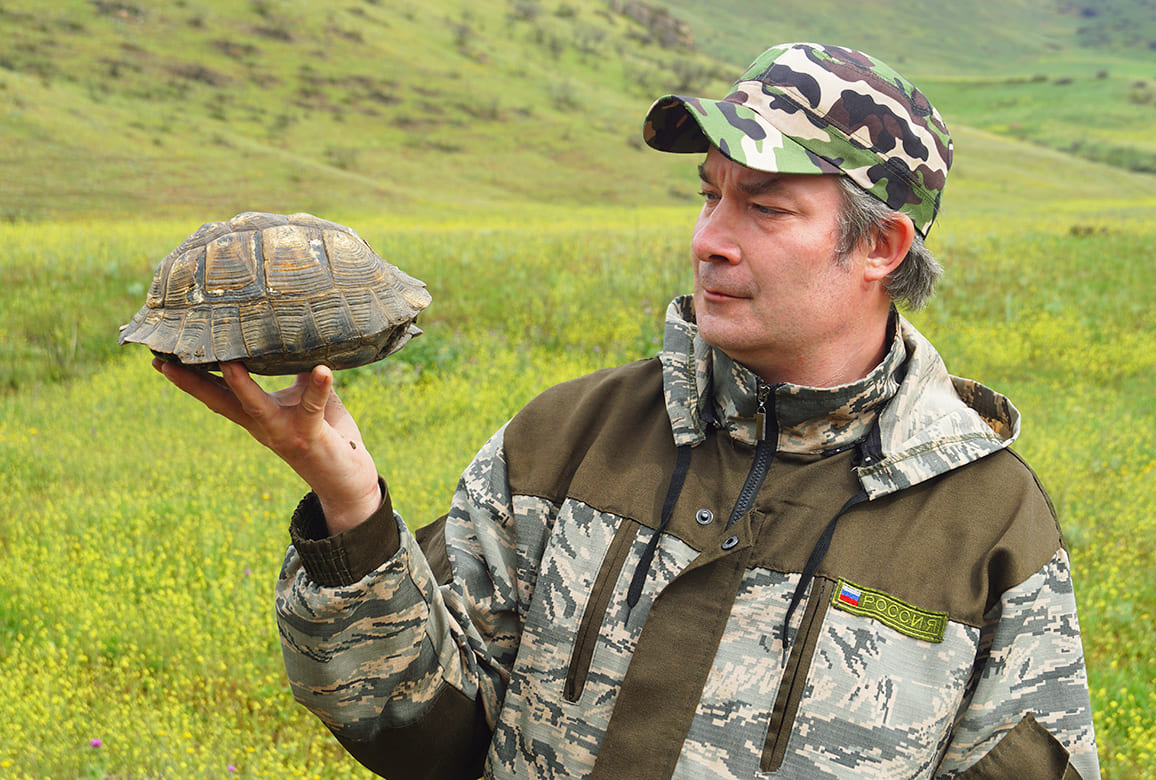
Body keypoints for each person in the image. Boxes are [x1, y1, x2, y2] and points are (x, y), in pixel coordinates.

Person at [159, 42, 1100, 779]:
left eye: (764, 210)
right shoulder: (566, 439)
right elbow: (422, 734)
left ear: (881, 246)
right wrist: (351, 509)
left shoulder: (986, 526)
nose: (709, 241)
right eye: (707, 197)